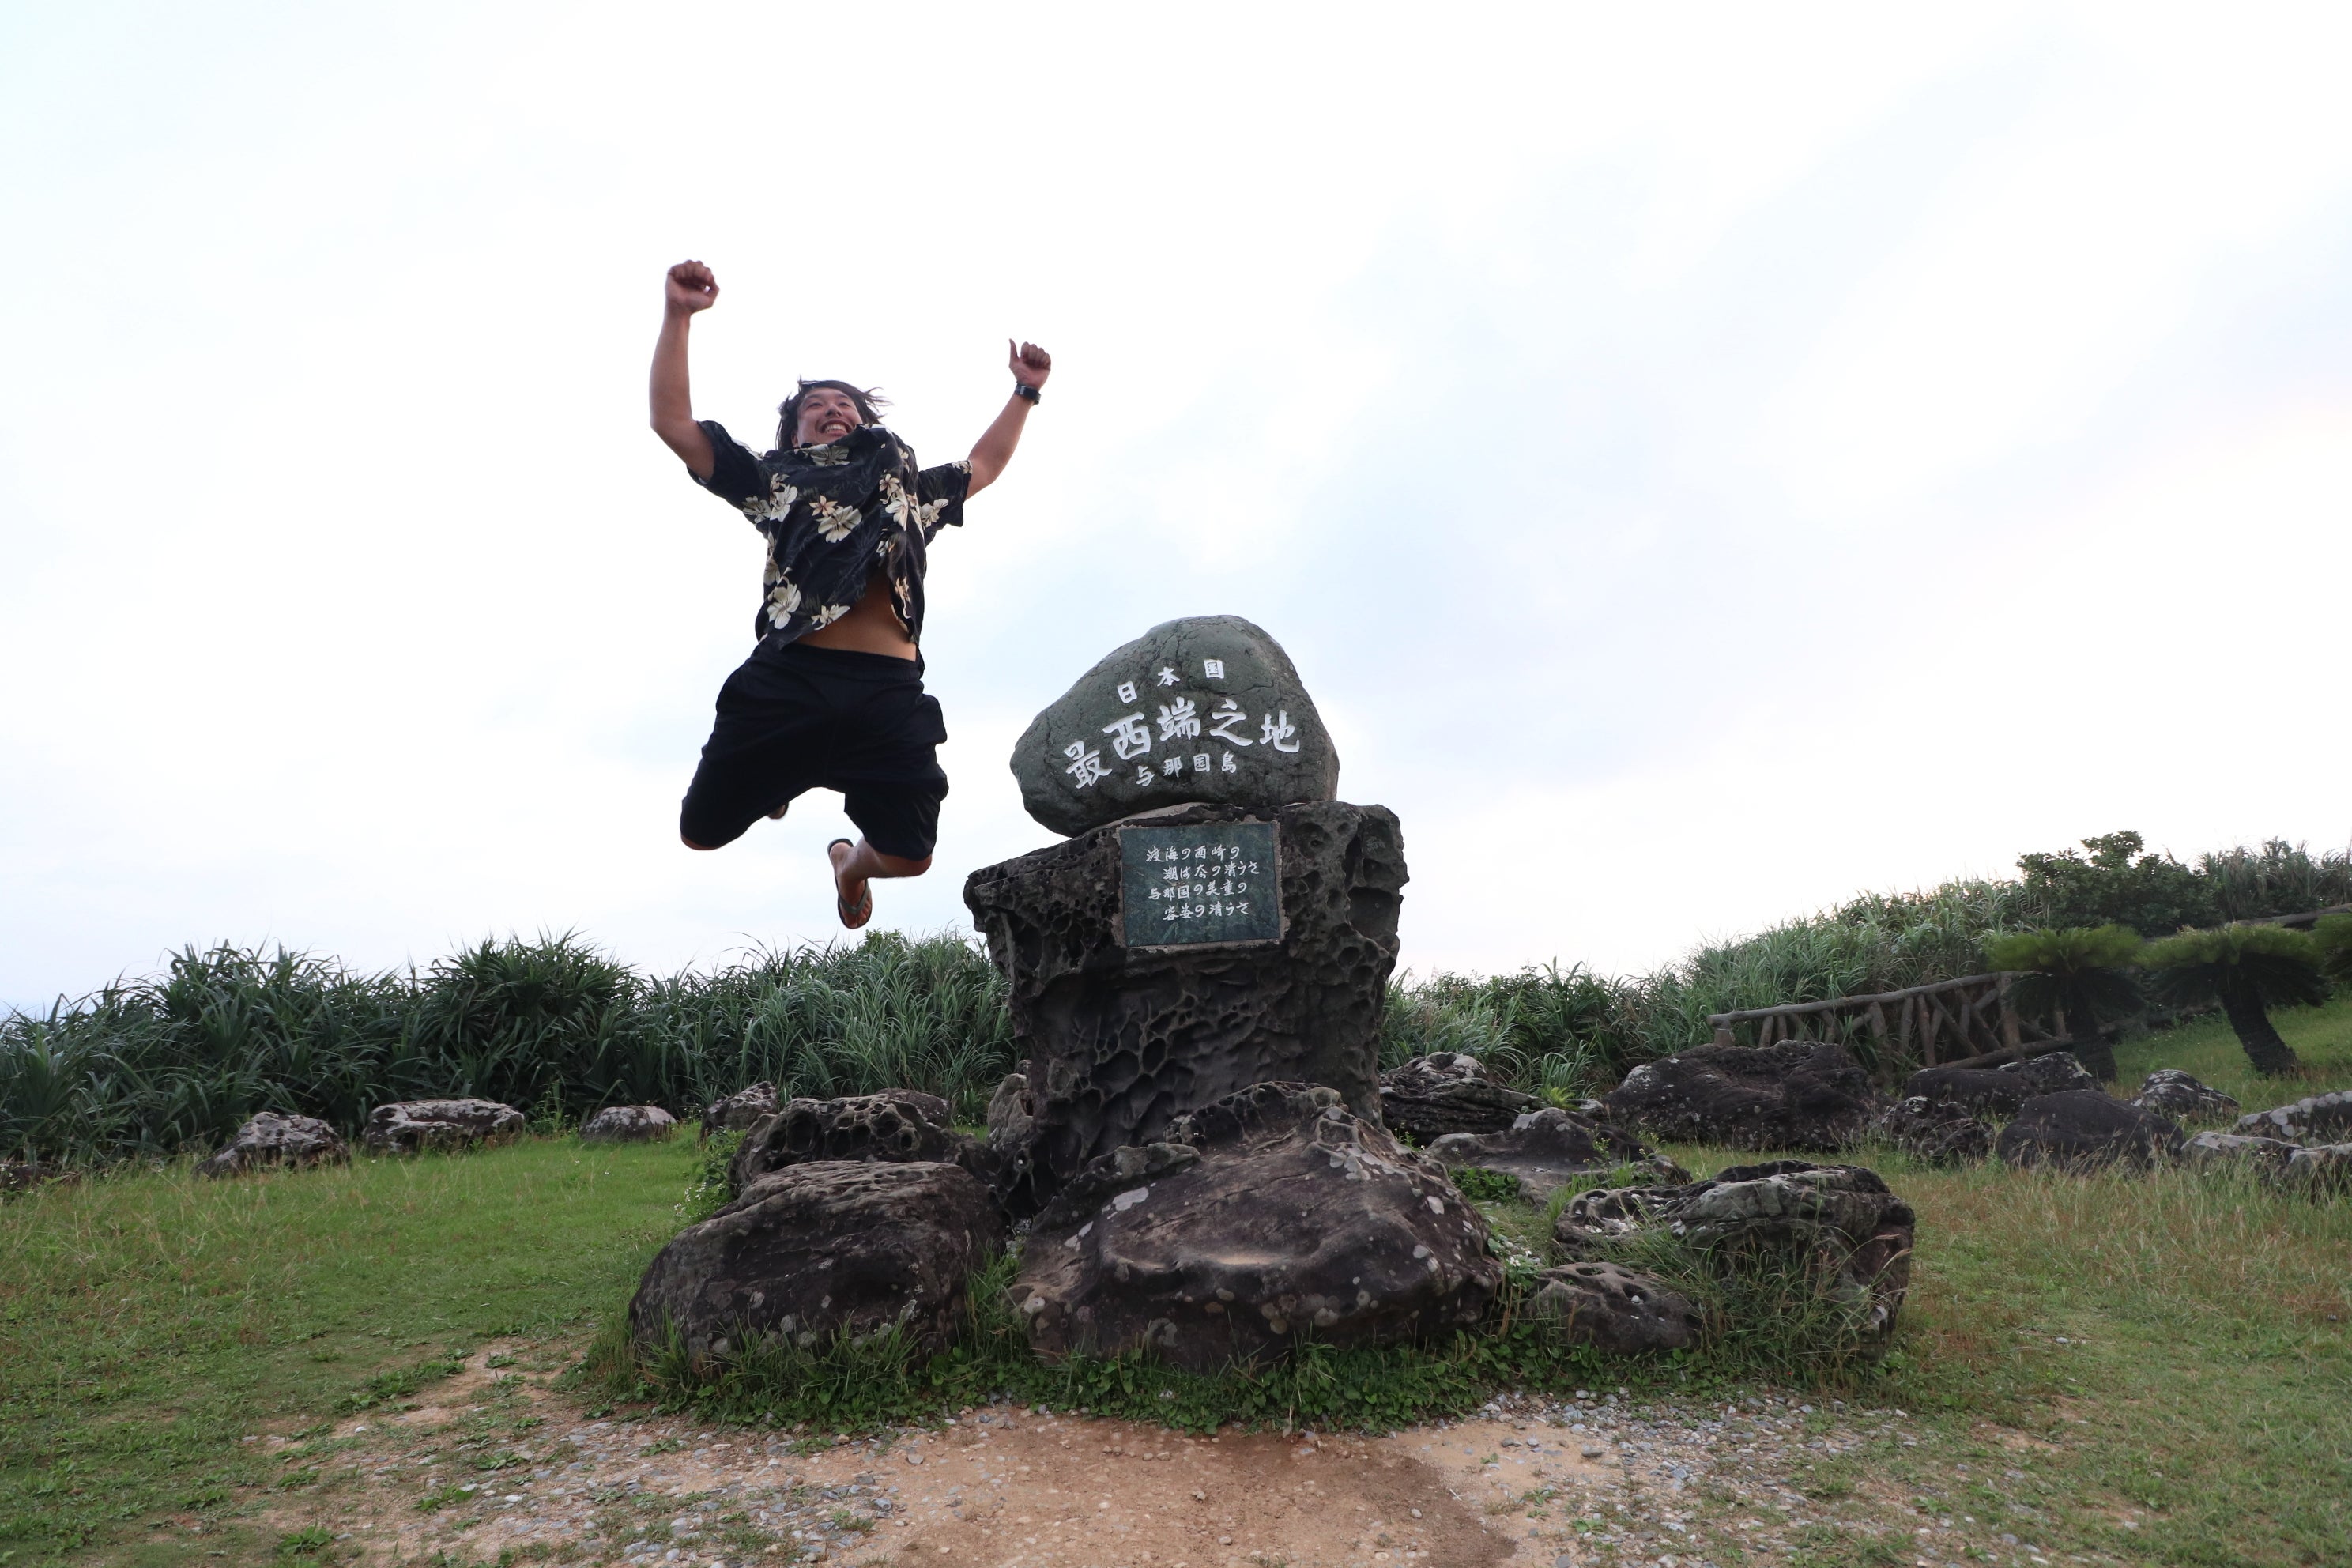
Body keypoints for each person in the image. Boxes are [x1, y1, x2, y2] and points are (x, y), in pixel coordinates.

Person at [647, 258, 1051, 927]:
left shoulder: (906, 489)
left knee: (911, 856)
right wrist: (679, 315)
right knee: (701, 832)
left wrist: (1025, 392)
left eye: (845, 405)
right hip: (791, 678)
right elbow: (672, 422)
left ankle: (848, 866)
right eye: (816, 407)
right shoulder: (774, 478)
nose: (832, 410)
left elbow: (985, 465)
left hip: (885, 689)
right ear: (795, 433)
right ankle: (778, 778)